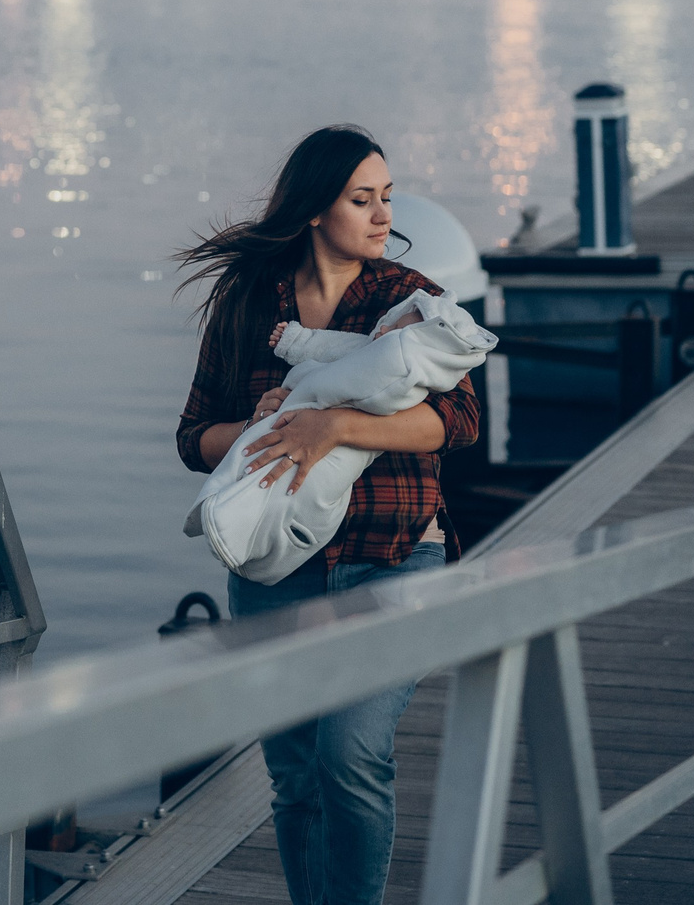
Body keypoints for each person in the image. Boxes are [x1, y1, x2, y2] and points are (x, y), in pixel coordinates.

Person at [173, 126, 478, 905]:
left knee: (352, 753)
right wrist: (257, 429)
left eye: (385, 196)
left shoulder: (409, 297)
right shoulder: (251, 303)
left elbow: (459, 421)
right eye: (361, 197)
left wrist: (336, 425)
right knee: (298, 774)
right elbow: (191, 436)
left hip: (395, 554)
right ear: (315, 209)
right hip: (277, 568)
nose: (382, 213)